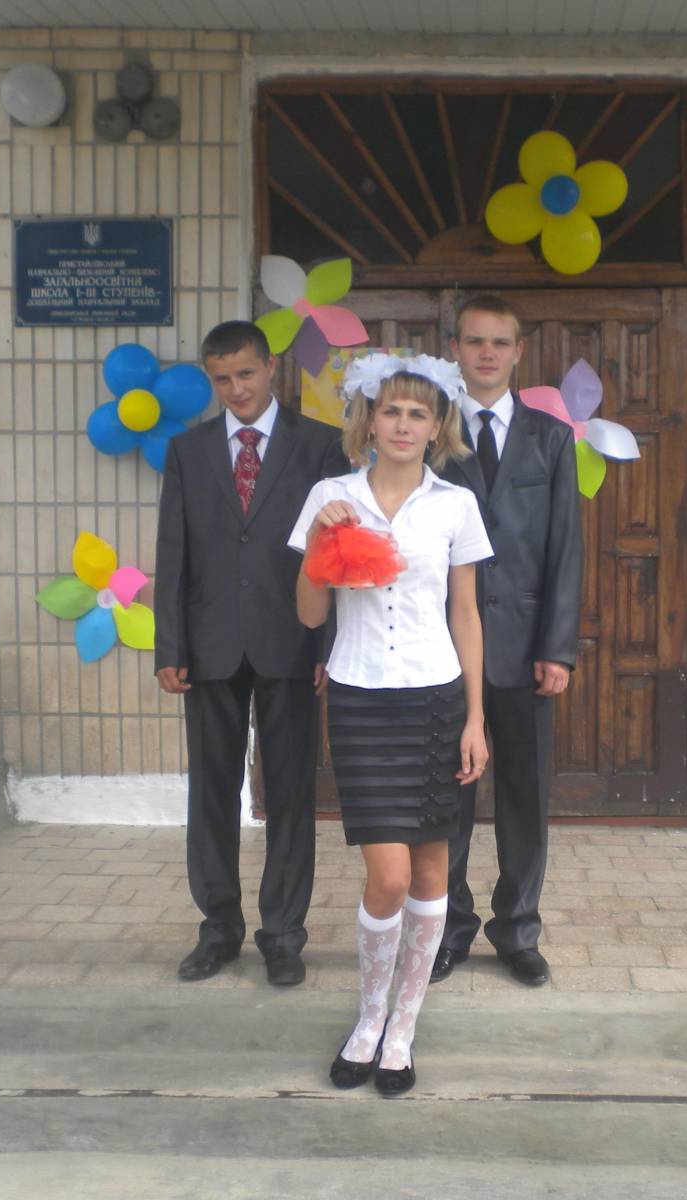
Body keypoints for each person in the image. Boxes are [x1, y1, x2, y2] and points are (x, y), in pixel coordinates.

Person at [289, 353, 491, 1094]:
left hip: (437, 700)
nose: (403, 424)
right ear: (369, 420)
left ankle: (402, 1030)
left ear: (437, 427)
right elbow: (309, 613)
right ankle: (368, 1015)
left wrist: (476, 717)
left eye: (418, 413)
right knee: (389, 875)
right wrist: (320, 543)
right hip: (361, 697)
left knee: (432, 872)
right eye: (391, 410)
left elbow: (465, 614)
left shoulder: (455, 504)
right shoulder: (330, 496)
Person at [153, 320, 347, 987]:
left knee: (290, 792)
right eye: (221, 379)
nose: (236, 389)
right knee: (211, 792)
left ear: (270, 369)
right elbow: (173, 550)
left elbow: (334, 554)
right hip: (209, 644)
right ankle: (218, 929)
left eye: (245, 374)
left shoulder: (320, 445)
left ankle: (283, 934)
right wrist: (170, 645)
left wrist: (327, 643)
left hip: (292, 640)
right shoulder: (188, 450)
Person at [434, 294, 583, 989]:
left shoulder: (550, 439)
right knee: (449, 799)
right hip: (444, 648)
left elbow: (565, 549)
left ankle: (518, 930)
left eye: (499, 342)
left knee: (524, 797)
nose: (487, 353)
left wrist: (558, 647)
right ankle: (448, 929)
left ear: (519, 352)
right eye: (474, 341)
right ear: (455, 350)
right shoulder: (432, 431)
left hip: (526, 650)